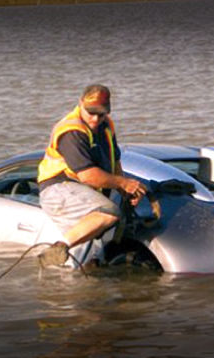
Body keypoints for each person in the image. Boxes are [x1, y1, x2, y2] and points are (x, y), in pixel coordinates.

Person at [36, 84, 147, 267]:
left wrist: (125, 189)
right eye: (91, 113)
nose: (96, 119)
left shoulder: (107, 126)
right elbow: (87, 175)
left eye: (101, 114)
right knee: (109, 212)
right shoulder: (71, 130)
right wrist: (123, 183)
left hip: (83, 193)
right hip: (58, 188)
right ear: (80, 104)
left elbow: (115, 163)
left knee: (92, 263)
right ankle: (58, 248)